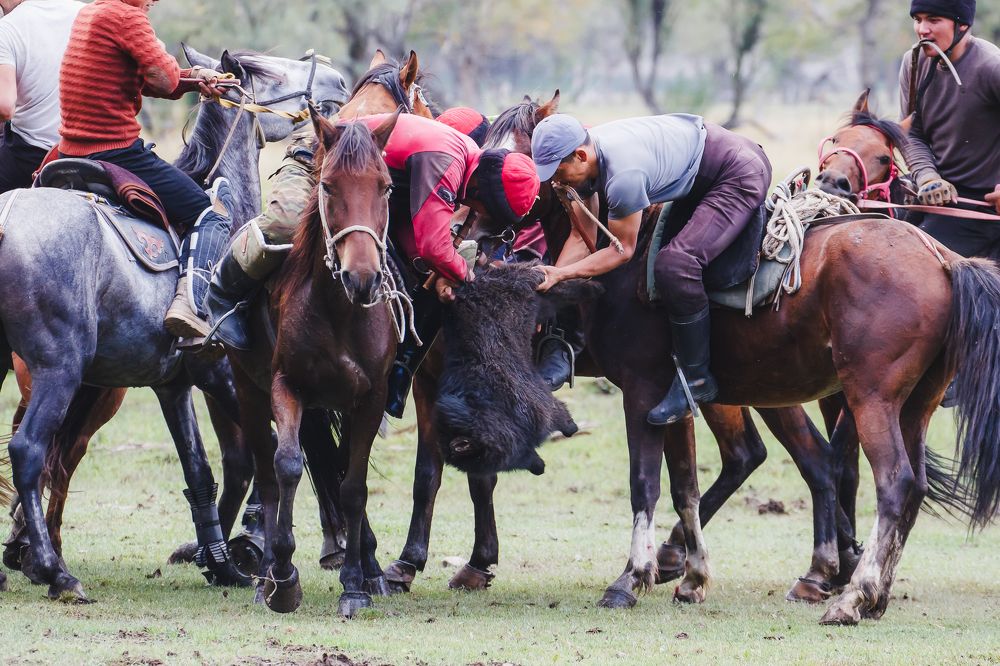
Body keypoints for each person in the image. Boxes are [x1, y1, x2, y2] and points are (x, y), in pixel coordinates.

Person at [206, 113, 539, 418]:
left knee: (420, 270)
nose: (483, 218)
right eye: (488, 213)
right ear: (481, 190)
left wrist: (446, 271)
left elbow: (430, 246)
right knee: (284, 223)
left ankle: (399, 369)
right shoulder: (445, 162)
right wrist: (467, 278)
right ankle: (220, 293)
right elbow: (433, 245)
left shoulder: (469, 160)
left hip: (365, 183)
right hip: (322, 149)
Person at [530, 113, 771, 426]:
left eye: (558, 172)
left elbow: (620, 251)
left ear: (579, 155)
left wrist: (561, 274)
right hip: (700, 174)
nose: (555, 182)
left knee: (676, 265)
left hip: (736, 172)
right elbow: (582, 237)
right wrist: (550, 292)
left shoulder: (623, 174)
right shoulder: (585, 160)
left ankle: (697, 381)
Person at [57, 0, 229, 339]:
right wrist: (172, 66)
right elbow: (163, 79)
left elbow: (149, 78)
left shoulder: (92, 12)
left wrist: (194, 79)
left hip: (68, 150)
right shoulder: (127, 17)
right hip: (115, 151)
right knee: (209, 214)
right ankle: (190, 306)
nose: (155, 0)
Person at [899, 0, 1000, 256]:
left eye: (934, 20)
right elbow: (912, 134)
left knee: (921, 261)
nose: (922, 29)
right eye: (918, 19)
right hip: (936, 194)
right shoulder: (913, 63)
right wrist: (928, 177)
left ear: (962, 24)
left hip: (982, 204)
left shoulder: (991, 67)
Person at [0, 0, 83, 192]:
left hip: (32, 154)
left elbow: (5, 108)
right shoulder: (87, 13)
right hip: (93, 151)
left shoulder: (8, 27)